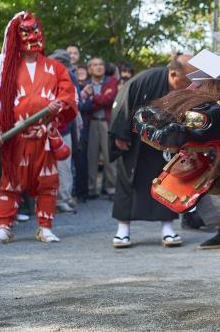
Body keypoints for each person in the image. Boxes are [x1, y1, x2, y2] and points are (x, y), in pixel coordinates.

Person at [0, 12, 78, 245]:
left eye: (35, 30)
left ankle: (45, 227)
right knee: (10, 183)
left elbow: (68, 94)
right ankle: (4, 227)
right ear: (15, 36)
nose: (33, 36)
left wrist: (59, 105)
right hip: (16, 137)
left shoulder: (56, 68)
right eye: (26, 32)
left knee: (48, 181)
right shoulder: (6, 68)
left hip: (44, 136)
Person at [109, 54, 195, 248]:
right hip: (137, 140)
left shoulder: (185, 89)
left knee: (168, 180)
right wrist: (120, 135)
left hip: (166, 141)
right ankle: (123, 230)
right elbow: (123, 102)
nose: (191, 84)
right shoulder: (145, 79)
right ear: (174, 74)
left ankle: (167, 228)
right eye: (188, 79)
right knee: (128, 180)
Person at [48, 49, 80, 213]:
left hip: (60, 126)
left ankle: (61, 198)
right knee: (61, 164)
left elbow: (74, 101)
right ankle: (59, 198)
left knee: (62, 163)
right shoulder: (68, 75)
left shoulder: (67, 76)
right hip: (57, 125)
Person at [80, 57, 118, 198]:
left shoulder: (111, 81)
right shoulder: (85, 83)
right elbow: (86, 106)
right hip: (91, 123)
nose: (99, 67)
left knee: (109, 158)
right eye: (95, 65)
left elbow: (109, 99)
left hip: (106, 123)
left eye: (101, 64)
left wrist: (93, 97)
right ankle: (92, 189)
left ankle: (111, 189)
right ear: (90, 68)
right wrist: (99, 100)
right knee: (92, 157)